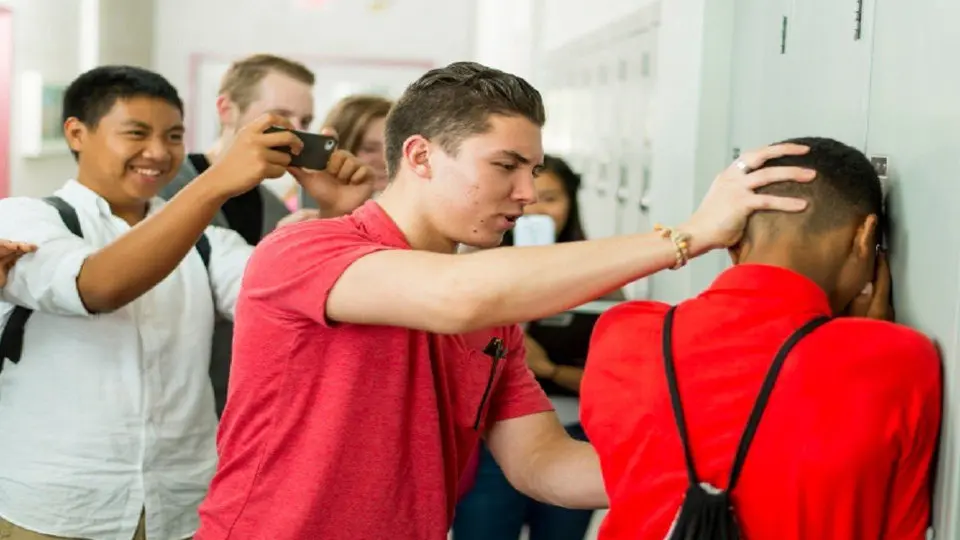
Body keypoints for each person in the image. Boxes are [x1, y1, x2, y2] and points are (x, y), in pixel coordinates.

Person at [194, 61, 815, 540]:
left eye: (534, 169)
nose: (526, 193)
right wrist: (692, 236)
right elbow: (454, 297)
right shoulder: (304, 250)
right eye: (506, 166)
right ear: (420, 156)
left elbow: (543, 463)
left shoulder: (494, 318)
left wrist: (718, 466)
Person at [0, 65, 371, 540]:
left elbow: (299, 303)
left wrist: (339, 214)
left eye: (173, 136)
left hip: (179, 509)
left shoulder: (209, 244)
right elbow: (97, 287)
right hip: (54, 510)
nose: (158, 152)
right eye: (136, 133)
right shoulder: (29, 219)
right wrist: (217, 182)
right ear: (76, 133)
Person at [580, 137, 942, 539]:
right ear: (865, 237)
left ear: (732, 241)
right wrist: (870, 340)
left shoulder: (622, 334)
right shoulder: (900, 359)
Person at [158, 54, 357, 416]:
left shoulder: (278, 210)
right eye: (281, 118)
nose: (297, 131)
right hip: (171, 402)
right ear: (226, 109)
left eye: (306, 121)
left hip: (246, 404)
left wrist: (331, 215)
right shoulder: (166, 191)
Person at [453, 155, 614, 540]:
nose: (537, 209)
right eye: (529, 199)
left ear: (572, 203)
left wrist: (551, 370)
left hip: (576, 434)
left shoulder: (604, 277)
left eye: (552, 198)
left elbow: (615, 386)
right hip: (488, 437)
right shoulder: (470, 271)